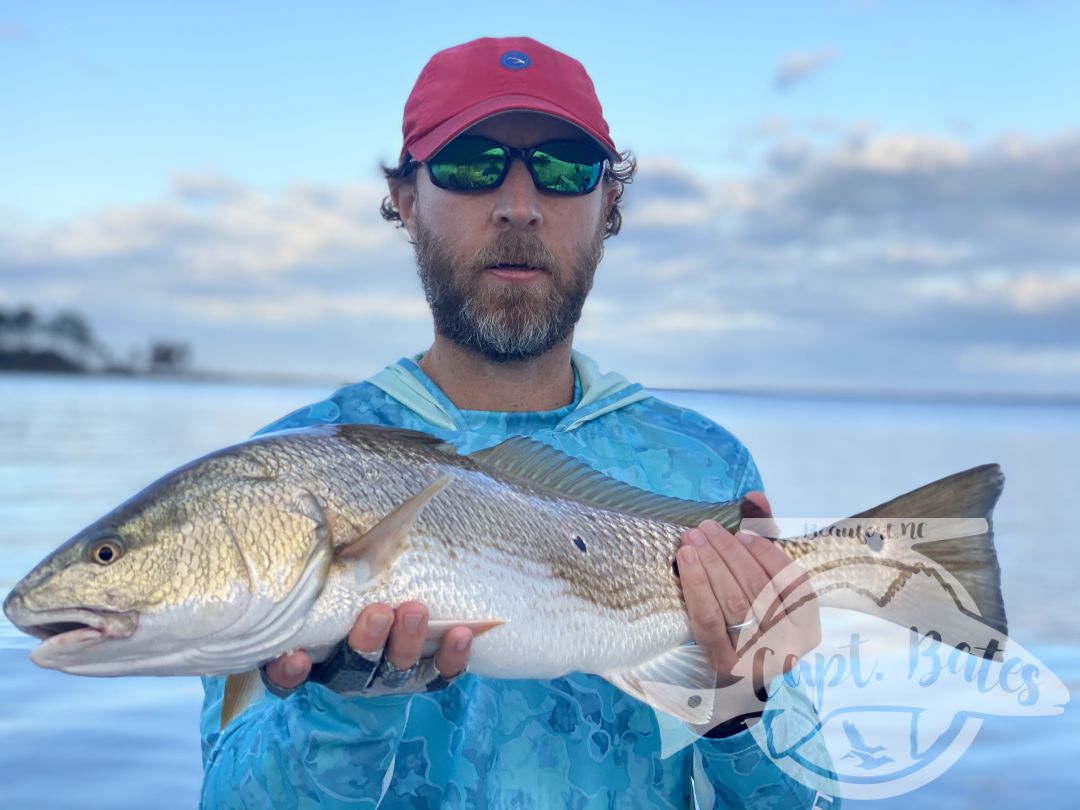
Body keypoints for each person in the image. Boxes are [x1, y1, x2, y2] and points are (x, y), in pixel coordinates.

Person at [199, 36, 833, 808]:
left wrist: (736, 706)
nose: (520, 206)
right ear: (405, 200)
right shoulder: (283, 475)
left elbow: (807, 799)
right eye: (472, 162)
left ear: (609, 206)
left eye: (566, 169)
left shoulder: (706, 468)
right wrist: (341, 714)